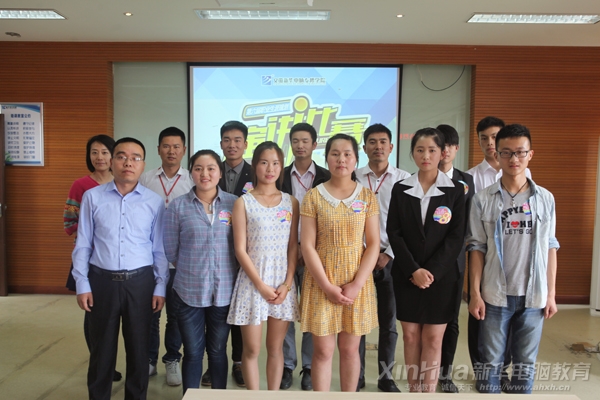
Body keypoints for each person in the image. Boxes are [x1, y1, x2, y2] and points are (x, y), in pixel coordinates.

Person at [72, 137, 169, 400]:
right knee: (101, 350)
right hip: (101, 282)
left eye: (135, 158)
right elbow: (83, 243)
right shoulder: (92, 197)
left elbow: (158, 248)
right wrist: (82, 283)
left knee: (139, 349)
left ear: (143, 165)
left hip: (141, 282)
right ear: (112, 162)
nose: (128, 162)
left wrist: (160, 286)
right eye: (122, 156)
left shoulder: (154, 201)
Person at [468, 124, 558, 394]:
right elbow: (476, 248)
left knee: (525, 365)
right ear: (497, 155)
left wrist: (551, 294)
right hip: (495, 295)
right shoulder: (482, 199)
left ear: (530, 154)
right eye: (506, 152)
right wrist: (475, 294)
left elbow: (550, 247)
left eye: (520, 152)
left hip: (534, 296)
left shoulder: (545, 199)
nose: (513, 159)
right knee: (490, 365)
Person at [387, 127, 465, 393]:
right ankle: (414, 390)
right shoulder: (401, 189)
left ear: (442, 152)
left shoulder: (456, 190)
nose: (426, 155)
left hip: (441, 278)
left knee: (433, 338)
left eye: (432, 150)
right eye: (420, 150)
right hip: (407, 275)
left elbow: (456, 237)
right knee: (410, 336)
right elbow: (394, 233)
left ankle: (428, 393)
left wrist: (431, 271)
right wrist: (413, 270)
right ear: (412, 153)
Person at [300, 133, 380, 392]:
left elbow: (373, 244)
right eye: (335, 154)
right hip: (321, 280)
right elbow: (307, 245)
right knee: (323, 351)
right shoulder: (313, 196)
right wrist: (326, 286)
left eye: (347, 154)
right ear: (327, 159)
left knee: (349, 349)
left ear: (356, 160)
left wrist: (357, 284)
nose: (341, 159)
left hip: (356, 280)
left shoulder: (367, 197)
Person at [163, 149, 238, 393]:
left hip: (224, 292)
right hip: (189, 292)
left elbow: (241, 245)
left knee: (217, 350)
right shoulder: (178, 206)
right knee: (193, 351)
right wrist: (195, 268)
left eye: (211, 168)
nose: (205, 174)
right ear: (191, 173)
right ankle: (190, 396)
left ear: (220, 173)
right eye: (198, 168)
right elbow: (171, 250)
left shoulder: (235, 203)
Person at [227, 141, 300, 390]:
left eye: (276, 163)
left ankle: (273, 395)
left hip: (282, 284)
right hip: (252, 283)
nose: (270, 169)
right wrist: (260, 285)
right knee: (251, 349)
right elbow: (240, 249)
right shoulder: (243, 202)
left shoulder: (291, 202)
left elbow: (293, 246)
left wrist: (287, 284)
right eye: (264, 162)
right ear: (255, 166)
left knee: (275, 348)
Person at [466, 116, 531, 388]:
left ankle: (503, 375)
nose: (490, 143)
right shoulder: (471, 178)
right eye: (484, 138)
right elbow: (475, 238)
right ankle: (485, 376)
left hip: (520, 271)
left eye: (494, 137)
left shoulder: (528, 180)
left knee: (518, 341)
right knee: (482, 329)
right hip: (487, 263)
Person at [355, 123, 409, 392]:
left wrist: (388, 253)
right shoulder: (352, 176)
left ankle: (386, 377)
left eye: (383, 142)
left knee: (389, 323)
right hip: (357, 260)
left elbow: (409, 223)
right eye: (372, 142)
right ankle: (356, 376)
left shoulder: (405, 179)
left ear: (391, 147)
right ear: (364, 148)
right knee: (357, 322)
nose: (378, 147)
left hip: (391, 258)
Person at [63, 134, 121, 382]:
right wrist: (96, 230)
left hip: (119, 261)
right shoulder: (81, 185)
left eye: (105, 152)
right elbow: (69, 223)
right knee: (95, 315)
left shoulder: (124, 182)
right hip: (91, 260)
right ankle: (102, 365)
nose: (100, 157)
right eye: (94, 152)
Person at [139, 127, 193, 386]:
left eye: (176, 146)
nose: (171, 151)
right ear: (159, 149)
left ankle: (172, 359)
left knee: (176, 315)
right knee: (150, 313)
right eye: (166, 146)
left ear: (184, 150)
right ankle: (149, 359)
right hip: (149, 259)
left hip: (180, 260)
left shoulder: (192, 179)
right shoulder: (145, 178)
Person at [202, 120, 254, 388]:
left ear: (245, 144)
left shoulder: (257, 172)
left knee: (241, 313)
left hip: (248, 255)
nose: (231, 145)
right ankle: (215, 363)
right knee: (217, 314)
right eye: (226, 140)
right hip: (217, 254)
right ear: (221, 143)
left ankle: (239, 362)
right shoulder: (211, 170)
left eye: (237, 140)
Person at [279, 122, 330, 391]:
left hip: (316, 254)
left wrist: (306, 247)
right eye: (295, 141)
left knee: (312, 310)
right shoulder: (279, 175)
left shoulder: (326, 176)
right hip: (283, 252)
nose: (300, 145)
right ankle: (287, 365)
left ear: (314, 144)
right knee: (285, 310)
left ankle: (309, 366)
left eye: (305, 141)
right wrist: (293, 246)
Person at [435, 124, 474, 393]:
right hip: (424, 261)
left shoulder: (466, 181)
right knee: (424, 319)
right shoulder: (418, 179)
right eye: (441, 145)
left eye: (449, 145)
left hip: (455, 261)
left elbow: (468, 222)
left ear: (456, 149)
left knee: (451, 319)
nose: (445, 150)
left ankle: (445, 374)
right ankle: (425, 369)